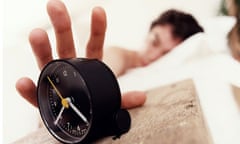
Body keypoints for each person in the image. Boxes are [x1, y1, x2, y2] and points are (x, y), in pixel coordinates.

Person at [15, 0, 146, 109]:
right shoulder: (123, 53)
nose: (154, 55)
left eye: (165, 52)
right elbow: (114, 58)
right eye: (156, 43)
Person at [104, 9, 204, 76]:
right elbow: (114, 57)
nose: (153, 57)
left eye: (166, 54)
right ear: (148, 33)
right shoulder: (120, 55)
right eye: (154, 43)